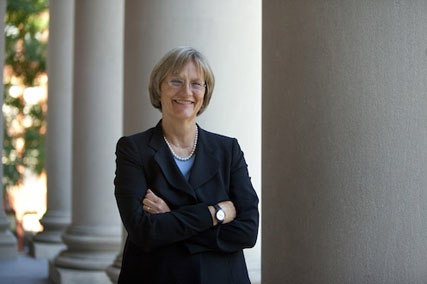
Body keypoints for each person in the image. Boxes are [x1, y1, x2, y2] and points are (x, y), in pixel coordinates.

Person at [114, 46, 259, 284]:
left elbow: (248, 230)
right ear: (158, 88)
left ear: (205, 92)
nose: (186, 91)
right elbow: (142, 231)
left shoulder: (228, 150)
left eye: (196, 83)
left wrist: (171, 217)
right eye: (175, 81)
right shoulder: (133, 149)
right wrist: (215, 213)